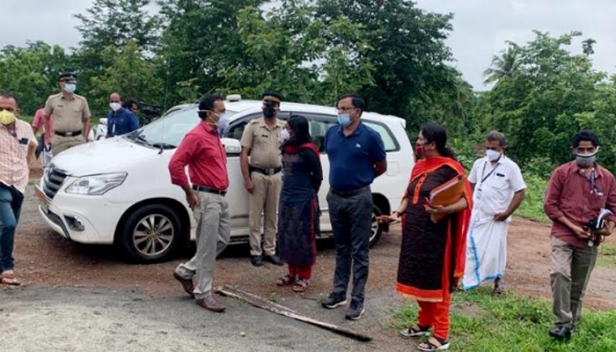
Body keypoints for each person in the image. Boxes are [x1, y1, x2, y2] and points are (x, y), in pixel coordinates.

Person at [384, 123, 472, 352]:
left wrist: (445, 210)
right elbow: (408, 194)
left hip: (438, 237)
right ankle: (424, 323)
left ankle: (441, 335)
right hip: (414, 235)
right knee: (418, 278)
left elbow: (466, 201)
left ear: (433, 144)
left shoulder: (451, 169)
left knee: (438, 284)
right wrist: (396, 214)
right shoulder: (419, 166)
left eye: (422, 139)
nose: (418, 142)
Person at [544, 130, 616, 340]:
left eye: (590, 150)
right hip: (564, 234)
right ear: (573, 150)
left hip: (590, 240)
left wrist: (609, 227)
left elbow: (613, 206)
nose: (585, 153)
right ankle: (562, 322)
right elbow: (550, 205)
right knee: (559, 273)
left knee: (578, 284)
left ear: (596, 150)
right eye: (581, 149)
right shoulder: (562, 173)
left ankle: (570, 325)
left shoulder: (607, 178)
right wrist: (573, 226)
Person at [321, 93, 387, 321]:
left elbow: (381, 166)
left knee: (360, 251)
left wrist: (361, 178)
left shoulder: (371, 136)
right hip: (336, 197)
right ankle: (339, 293)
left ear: (357, 112)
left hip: (359, 198)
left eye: (344, 109)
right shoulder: (332, 133)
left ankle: (357, 300)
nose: (339, 113)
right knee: (340, 248)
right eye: (338, 108)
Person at [168, 94, 232, 313]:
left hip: (220, 197)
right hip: (205, 197)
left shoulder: (215, 134)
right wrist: (188, 192)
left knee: (222, 239)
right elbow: (175, 164)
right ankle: (204, 293)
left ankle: (186, 271)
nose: (224, 115)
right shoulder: (195, 135)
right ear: (208, 114)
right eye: (221, 111)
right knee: (207, 246)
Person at [462, 131, 526, 294]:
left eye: (494, 148)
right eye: (488, 147)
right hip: (477, 214)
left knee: (495, 252)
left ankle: (497, 283)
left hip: (496, 217)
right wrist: (469, 203)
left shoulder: (511, 167)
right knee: (470, 246)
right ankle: (467, 280)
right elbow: (471, 183)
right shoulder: (479, 163)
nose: (490, 151)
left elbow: (520, 192)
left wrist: (506, 212)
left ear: (502, 148)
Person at [275, 115, 323, 293]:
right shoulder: (287, 148)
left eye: (288, 128)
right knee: (287, 234)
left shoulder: (308, 151)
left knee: (303, 235)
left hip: (303, 198)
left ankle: (304, 276)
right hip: (287, 195)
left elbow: (317, 176)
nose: (285, 131)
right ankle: (291, 272)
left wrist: (309, 194)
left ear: (297, 130)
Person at [240, 92, 286, 267]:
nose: (269, 107)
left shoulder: (283, 128)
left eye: (273, 105)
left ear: (278, 108)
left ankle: (270, 250)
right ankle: (255, 251)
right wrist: (247, 179)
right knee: (255, 216)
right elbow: (244, 154)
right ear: (263, 106)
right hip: (257, 175)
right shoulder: (253, 126)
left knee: (272, 216)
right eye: (266, 104)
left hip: (275, 175)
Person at [0, 93, 37, 286]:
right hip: (1, 182)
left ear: (17, 111)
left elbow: (32, 144)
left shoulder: (25, 127)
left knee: (10, 227)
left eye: (8, 109)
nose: (4, 113)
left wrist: (28, 162)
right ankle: (7, 267)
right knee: (8, 224)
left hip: (20, 183)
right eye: (0, 109)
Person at [43, 72, 91, 156]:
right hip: (59, 139)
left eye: (73, 82)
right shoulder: (52, 99)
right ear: (61, 83)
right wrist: (48, 137)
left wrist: (85, 137)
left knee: (77, 166)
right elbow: (45, 117)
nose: (71, 85)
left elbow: (87, 119)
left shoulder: (81, 100)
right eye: (68, 82)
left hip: (77, 139)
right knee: (60, 165)